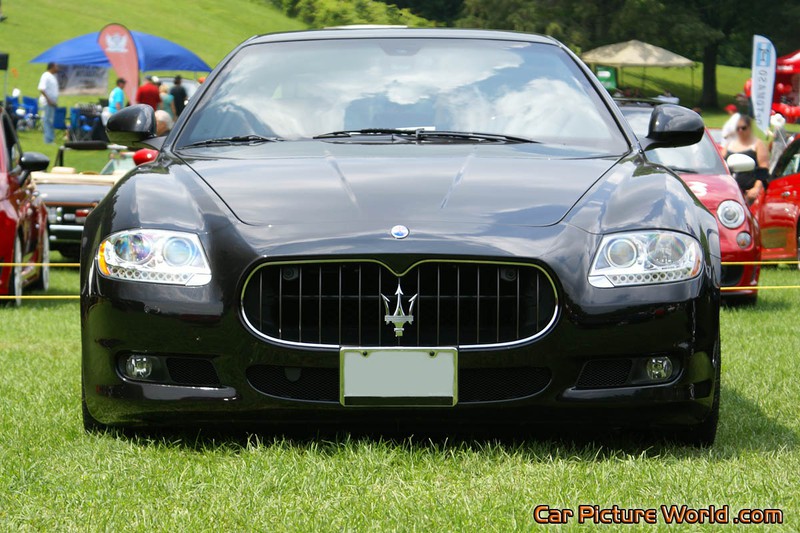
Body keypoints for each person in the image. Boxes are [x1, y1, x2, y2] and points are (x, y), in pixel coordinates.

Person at [722, 115, 769, 205]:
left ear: (749, 128)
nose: (740, 131)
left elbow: (763, 168)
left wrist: (756, 188)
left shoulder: (757, 144)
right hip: (729, 191)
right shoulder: (730, 144)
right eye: (738, 128)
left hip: (748, 193)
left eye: (743, 128)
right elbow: (721, 163)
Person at [37, 62, 59, 144]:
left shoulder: (53, 76)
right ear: (52, 67)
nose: (57, 68)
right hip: (47, 103)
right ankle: (49, 140)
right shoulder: (45, 76)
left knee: (50, 120)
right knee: (47, 120)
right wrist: (49, 100)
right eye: (56, 66)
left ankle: (50, 138)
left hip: (52, 102)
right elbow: (42, 89)